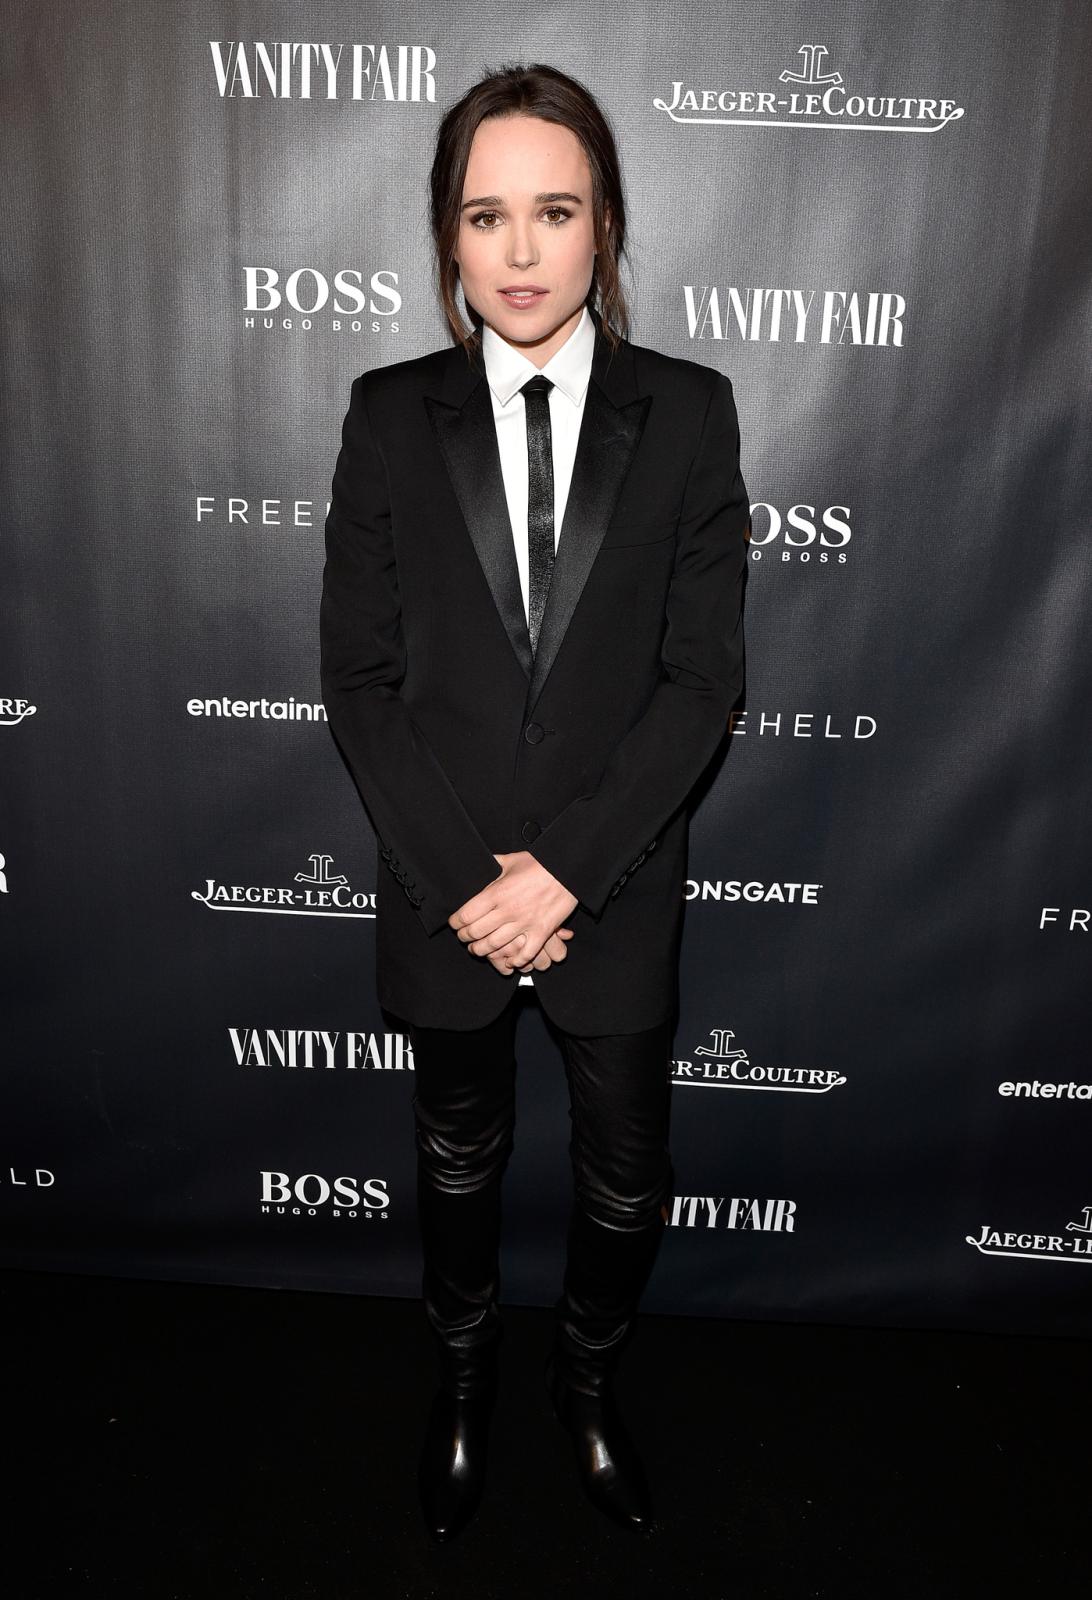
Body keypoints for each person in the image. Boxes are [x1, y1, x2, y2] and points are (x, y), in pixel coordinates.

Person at [319, 62, 749, 1543]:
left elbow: (701, 683)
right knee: (456, 1162)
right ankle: (462, 1390)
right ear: (446, 231)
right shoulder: (388, 416)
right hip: (442, 889)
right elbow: (361, 683)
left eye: (553, 213)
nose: (518, 250)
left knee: (627, 1179)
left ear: (604, 224)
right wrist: (474, 888)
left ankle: (586, 1385)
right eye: (484, 214)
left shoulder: (688, 412)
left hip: (609, 890)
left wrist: (561, 873)